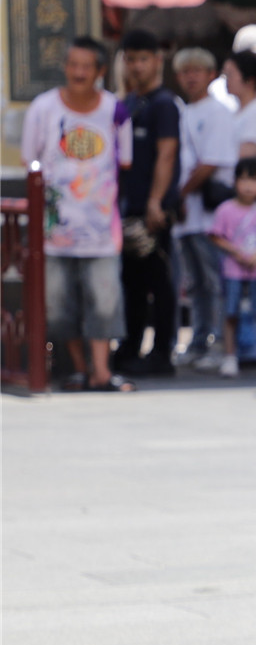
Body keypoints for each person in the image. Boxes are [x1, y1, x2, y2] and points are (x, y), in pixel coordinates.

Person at [23, 37, 135, 391]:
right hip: (53, 230)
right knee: (58, 305)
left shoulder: (115, 110)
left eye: (87, 66)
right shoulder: (43, 109)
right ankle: (77, 369)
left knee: (105, 300)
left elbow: (126, 161)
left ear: (100, 71)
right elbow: (30, 161)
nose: (79, 73)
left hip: (101, 228)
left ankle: (102, 371)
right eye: (73, 65)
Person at [114, 27, 181, 377]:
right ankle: (131, 347)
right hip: (128, 209)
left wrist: (156, 201)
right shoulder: (127, 103)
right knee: (133, 283)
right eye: (131, 59)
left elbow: (167, 154)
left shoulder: (164, 104)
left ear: (157, 61)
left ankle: (162, 352)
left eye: (143, 59)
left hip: (154, 210)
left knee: (160, 283)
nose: (137, 66)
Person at [171, 47, 240, 371]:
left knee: (216, 281)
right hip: (188, 217)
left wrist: (179, 195)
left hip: (211, 216)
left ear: (211, 75)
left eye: (197, 70)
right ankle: (199, 341)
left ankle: (222, 344)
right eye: (185, 71)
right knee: (196, 284)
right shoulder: (184, 111)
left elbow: (211, 162)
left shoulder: (218, 112)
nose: (191, 77)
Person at [207, 159, 256, 378]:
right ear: (234, 182)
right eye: (243, 180)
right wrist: (236, 252)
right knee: (230, 313)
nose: (248, 186)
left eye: (254, 180)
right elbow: (215, 235)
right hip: (233, 270)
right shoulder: (225, 210)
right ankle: (230, 357)